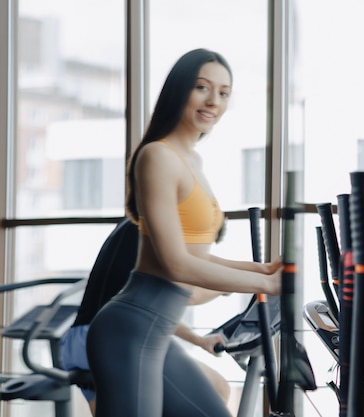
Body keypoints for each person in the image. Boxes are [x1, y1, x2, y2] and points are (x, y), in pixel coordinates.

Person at [85, 48, 282, 417]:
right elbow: (175, 265)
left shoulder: (193, 160)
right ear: (179, 90)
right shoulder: (156, 156)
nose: (214, 101)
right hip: (128, 330)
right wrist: (266, 286)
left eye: (224, 93)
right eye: (202, 87)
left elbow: (194, 254)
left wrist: (262, 271)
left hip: (154, 333)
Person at [60, 218, 231, 416]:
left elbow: (151, 310)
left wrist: (198, 340)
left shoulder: (135, 226)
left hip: (78, 342)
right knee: (219, 387)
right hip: (120, 339)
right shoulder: (164, 234)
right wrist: (225, 287)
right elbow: (186, 295)